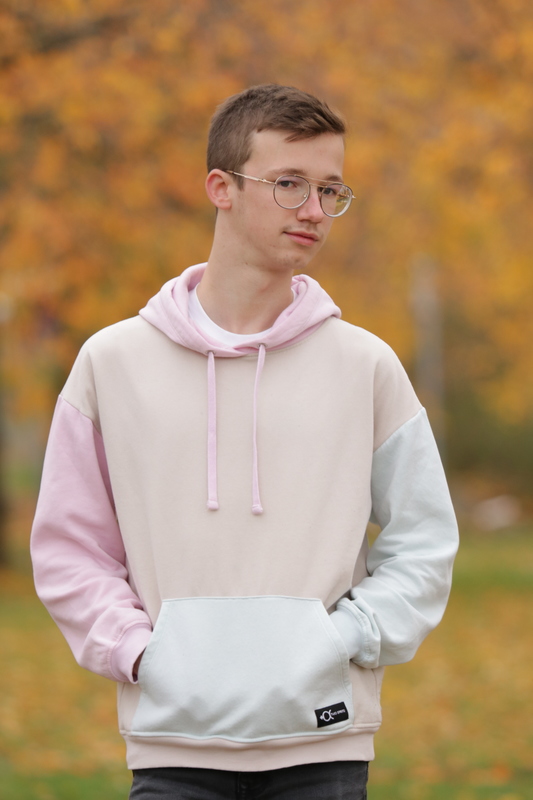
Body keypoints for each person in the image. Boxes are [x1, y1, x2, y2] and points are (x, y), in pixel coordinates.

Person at [30, 84, 459, 800]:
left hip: (322, 742)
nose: (314, 209)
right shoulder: (112, 362)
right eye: (289, 183)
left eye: (330, 190)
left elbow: (425, 539)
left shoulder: (365, 366)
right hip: (172, 743)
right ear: (220, 188)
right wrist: (137, 653)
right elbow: (69, 546)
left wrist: (347, 637)